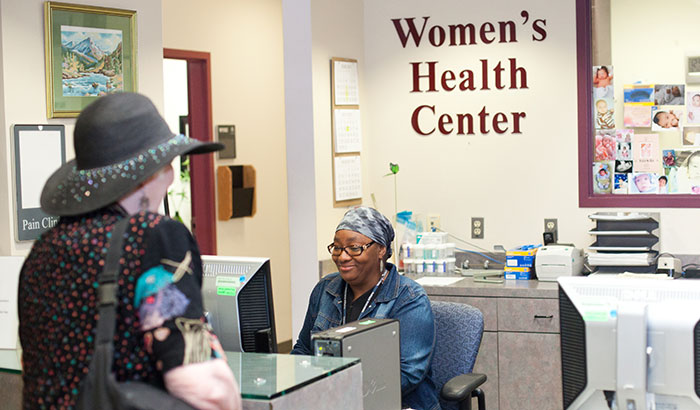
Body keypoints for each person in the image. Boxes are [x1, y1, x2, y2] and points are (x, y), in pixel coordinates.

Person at [18, 93, 241, 410]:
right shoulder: (152, 238)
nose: (171, 176)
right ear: (151, 174)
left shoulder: (43, 250)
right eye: (167, 165)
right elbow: (204, 387)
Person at [291, 207, 439, 410]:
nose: (342, 257)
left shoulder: (409, 299)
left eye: (354, 248)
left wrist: (340, 395)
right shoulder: (325, 289)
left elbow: (407, 374)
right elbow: (303, 350)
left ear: (381, 250)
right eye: (337, 247)